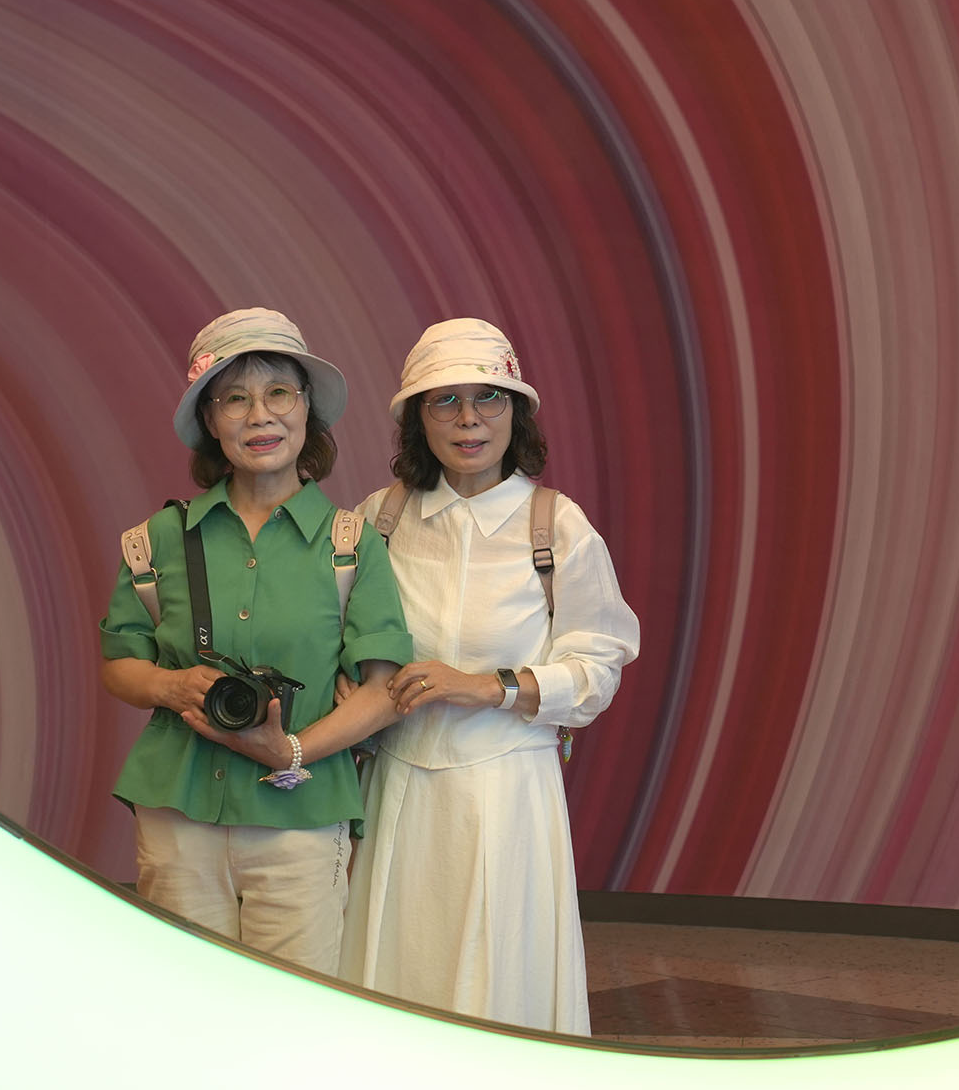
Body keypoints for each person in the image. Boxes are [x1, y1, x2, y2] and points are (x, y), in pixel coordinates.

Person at [234, 318, 639, 1033]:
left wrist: (487, 686)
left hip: (507, 792)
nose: (469, 419)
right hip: (395, 785)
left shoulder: (556, 527)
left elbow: (598, 667)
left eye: (488, 397)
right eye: (444, 401)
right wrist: (342, 685)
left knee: (499, 979)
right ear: (417, 419)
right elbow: (335, 636)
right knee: (390, 974)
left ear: (517, 412)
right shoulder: (380, 519)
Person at [97, 307, 412, 977]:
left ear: (307, 410)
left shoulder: (351, 545)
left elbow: (384, 690)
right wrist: (172, 685)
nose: (260, 416)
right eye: (234, 399)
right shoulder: (156, 541)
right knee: (185, 997)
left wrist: (291, 748)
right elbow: (120, 664)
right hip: (179, 811)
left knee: (294, 1005)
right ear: (209, 421)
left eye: (279, 393)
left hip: (301, 814)